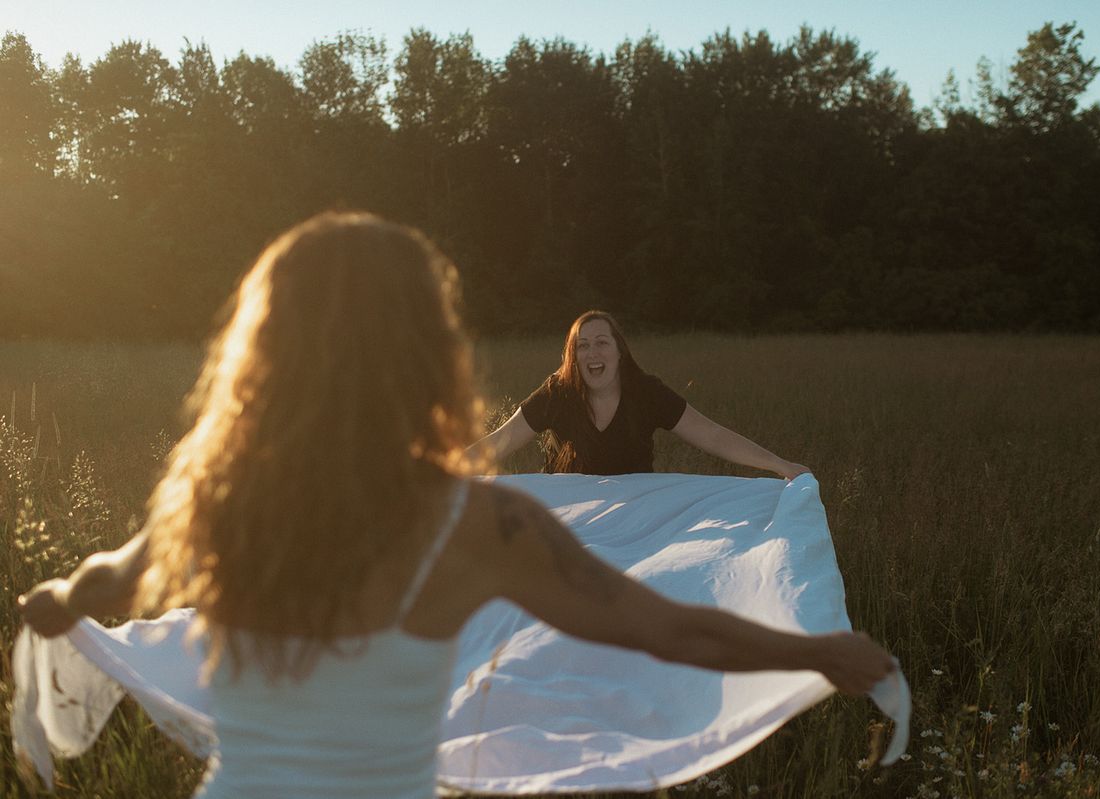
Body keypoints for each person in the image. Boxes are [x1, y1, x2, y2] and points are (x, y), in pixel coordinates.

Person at [17, 211, 893, 799]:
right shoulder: (482, 523)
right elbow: (664, 629)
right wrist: (813, 646)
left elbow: (106, 586)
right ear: (422, 347)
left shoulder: (221, 496)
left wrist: (56, 600)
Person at [471, 310, 808, 477]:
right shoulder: (558, 393)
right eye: (582, 346)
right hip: (569, 517)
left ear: (620, 352)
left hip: (636, 516)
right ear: (573, 357)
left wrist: (780, 465)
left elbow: (712, 435)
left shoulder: (646, 393)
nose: (592, 353)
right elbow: (500, 441)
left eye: (602, 343)